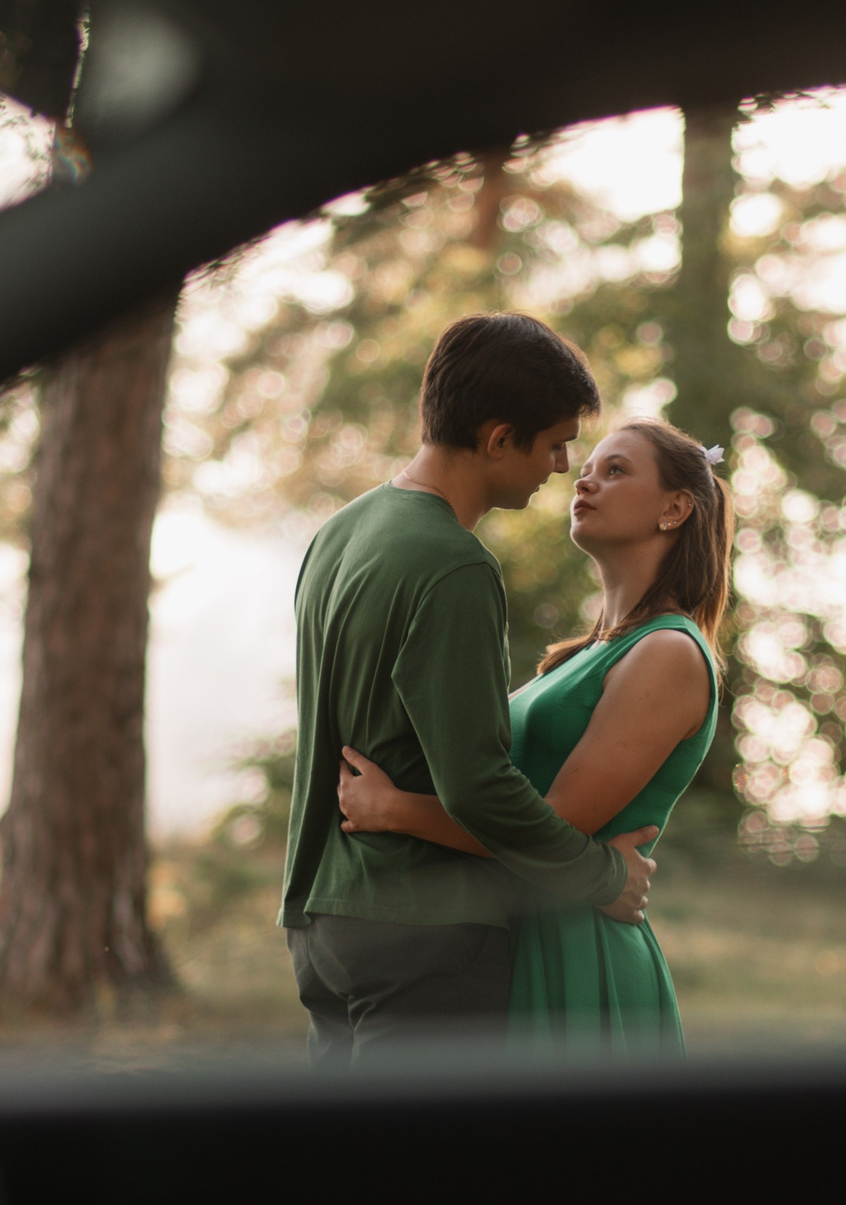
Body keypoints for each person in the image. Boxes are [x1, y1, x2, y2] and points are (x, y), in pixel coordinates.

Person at [279, 313, 657, 1068]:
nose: (560, 468)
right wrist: (599, 876)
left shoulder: (342, 532)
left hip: (322, 922)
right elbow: (479, 785)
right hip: (421, 933)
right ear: (496, 438)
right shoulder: (453, 564)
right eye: (553, 445)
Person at [336, 417, 729, 1058]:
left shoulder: (668, 654)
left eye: (616, 470)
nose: (585, 481)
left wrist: (396, 810)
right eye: (586, 469)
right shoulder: (587, 653)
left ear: (675, 508)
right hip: (514, 937)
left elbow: (549, 826)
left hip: (579, 955)